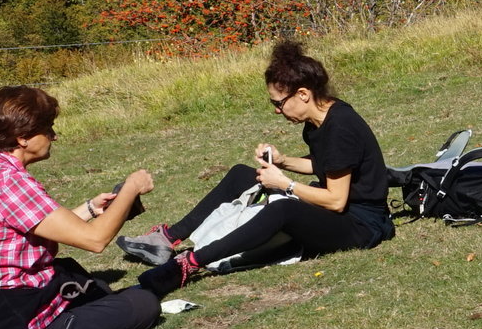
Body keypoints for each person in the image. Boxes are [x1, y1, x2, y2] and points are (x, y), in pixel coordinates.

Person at [140, 42, 393, 293]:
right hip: (339, 212)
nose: (276, 110)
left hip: (361, 224)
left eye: (279, 103)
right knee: (243, 174)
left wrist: (286, 184)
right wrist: (282, 161)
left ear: (303, 94)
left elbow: (336, 200)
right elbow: (326, 165)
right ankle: (169, 238)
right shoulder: (318, 120)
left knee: (284, 209)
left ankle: (190, 263)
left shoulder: (341, 127)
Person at [0, 84, 164, 329]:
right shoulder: (11, 183)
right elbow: (95, 240)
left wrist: (90, 209)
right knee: (143, 304)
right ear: (23, 137)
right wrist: (131, 187)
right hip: (12, 326)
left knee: (87, 283)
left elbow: (32, 227)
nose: (54, 136)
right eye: (47, 128)